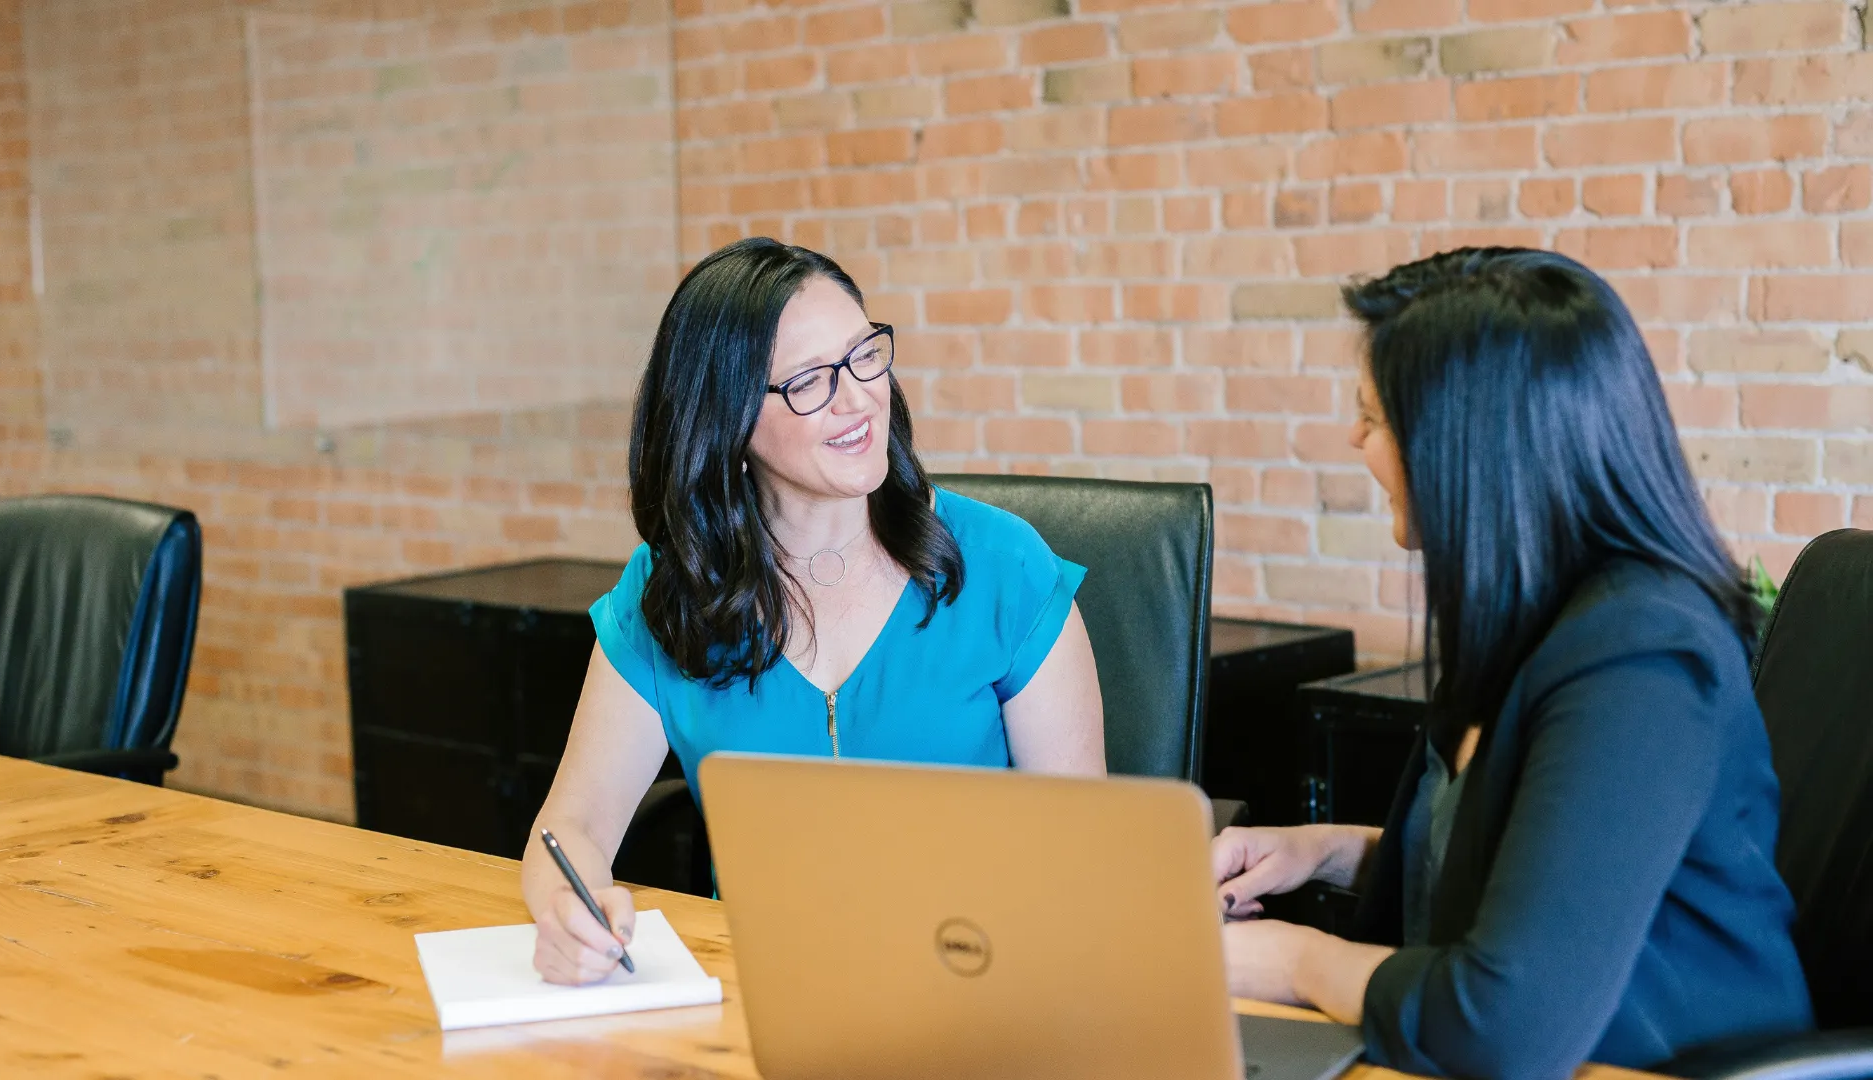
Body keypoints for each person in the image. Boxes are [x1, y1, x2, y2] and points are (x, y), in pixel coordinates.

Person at [1212, 248, 1813, 1077]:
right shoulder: (1530, 616)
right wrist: (1326, 849)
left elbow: (1506, 1025)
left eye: (1374, 417)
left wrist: (1295, 962)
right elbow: (1524, 865)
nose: (1353, 439)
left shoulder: (1641, 658)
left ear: (1468, 446)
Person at [522, 238, 1106, 985]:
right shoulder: (671, 594)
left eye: (865, 355)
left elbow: (1084, 849)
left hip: (983, 985)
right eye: (808, 382)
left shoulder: (1004, 567)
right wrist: (567, 915)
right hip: (765, 995)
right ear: (727, 421)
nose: (859, 396)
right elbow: (569, 826)